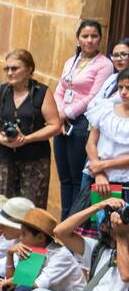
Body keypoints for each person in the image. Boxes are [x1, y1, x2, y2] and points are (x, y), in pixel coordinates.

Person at [0, 48, 61, 205]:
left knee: (29, 210)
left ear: (29, 69)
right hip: (3, 158)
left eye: (15, 68)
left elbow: (55, 125)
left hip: (34, 160)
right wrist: (1, 138)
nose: (10, 73)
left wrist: (27, 139)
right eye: (7, 69)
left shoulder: (42, 93)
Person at [54, 20, 115, 217]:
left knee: (74, 179)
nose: (89, 40)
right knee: (63, 179)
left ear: (100, 39)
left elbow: (92, 96)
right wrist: (59, 115)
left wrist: (66, 114)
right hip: (62, 122)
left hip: (81, 124)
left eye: (94, 36)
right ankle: (62, 222)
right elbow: (60, 88)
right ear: (78, 39)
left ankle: (71, 225)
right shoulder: (71, 61)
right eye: (85, 36)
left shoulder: (104, 64)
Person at [86, 69, 129, 199]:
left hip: (125, 181)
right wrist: (98, 172)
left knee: (120, 218)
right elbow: (91, 143)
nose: (123, 92)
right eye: (120, 87)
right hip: (99, 177)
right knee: (96, 218)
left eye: (128, 88)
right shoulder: (105, 109)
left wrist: (103, 165)